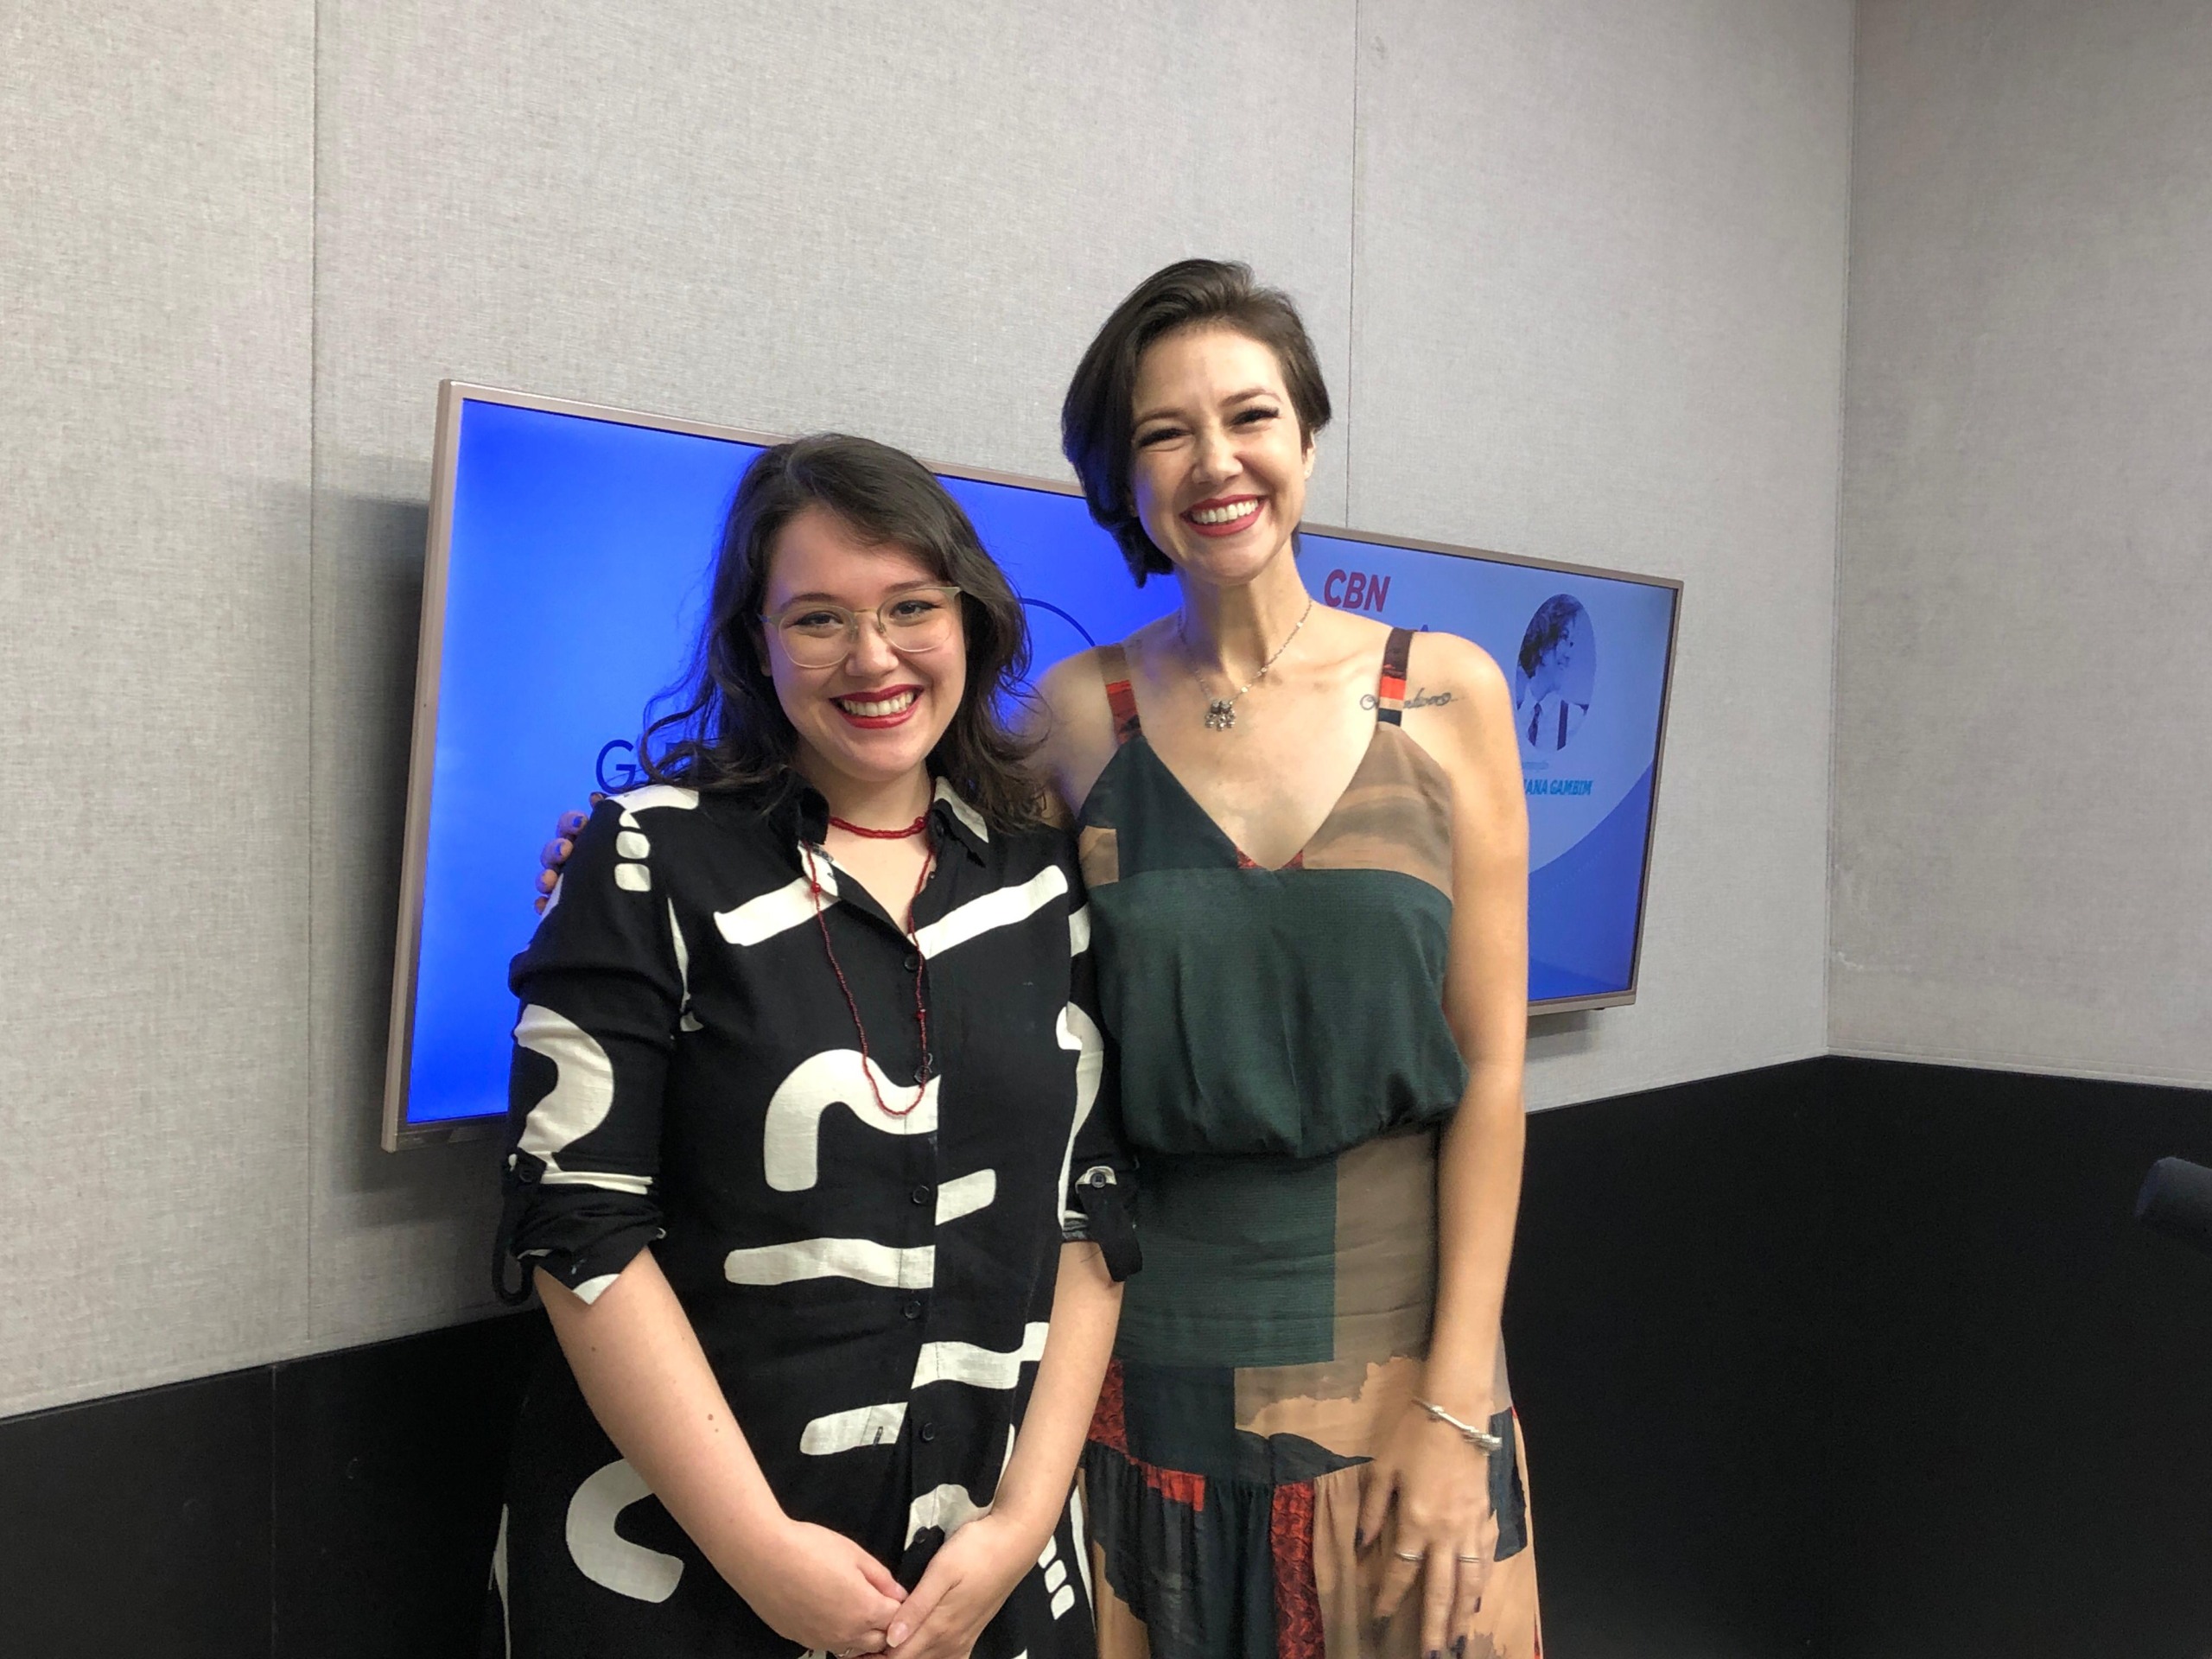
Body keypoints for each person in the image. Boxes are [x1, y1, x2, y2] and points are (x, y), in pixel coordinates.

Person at [496, 434, 1135, 1659]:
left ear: (971, 620)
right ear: (753, 641)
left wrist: (1020, 1520)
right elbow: (576, 1229)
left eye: (910, 607)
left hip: (986, 1575)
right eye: (819, 619)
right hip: (681, 1572)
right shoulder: (646, 862)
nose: (875, 656)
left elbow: (1093, 1207)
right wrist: (760, 1552)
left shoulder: (1044, 883)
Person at [1035, 260, 1541, 1659]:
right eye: (1162, 432)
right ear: (1122, 479)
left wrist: (1457, 1406)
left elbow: (1492, 1071)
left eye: (1249, 415)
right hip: (1149, 1360)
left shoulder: (1445, 691)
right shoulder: (1080, 720)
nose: (1216, 462)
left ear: (1307, 436)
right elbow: (894, 847)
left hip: (1407, 1363)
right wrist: (651, 843)